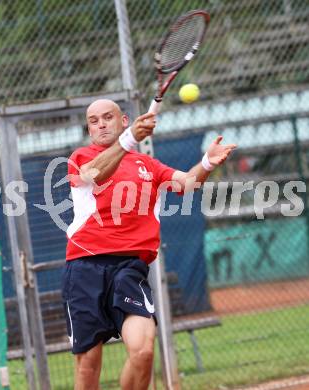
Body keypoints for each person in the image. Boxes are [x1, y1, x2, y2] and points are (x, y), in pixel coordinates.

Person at [62, 99, 236, 390]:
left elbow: (185, 183)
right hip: (85, 267)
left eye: (108, 117)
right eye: (94, 120)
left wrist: (206, 163)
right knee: (88, 364)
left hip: (129, 268)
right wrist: (129, 139)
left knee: (143, 352)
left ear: (123, 119)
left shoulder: (146, 164)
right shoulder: (82, 157)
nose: (101, 124)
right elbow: (95, 174)